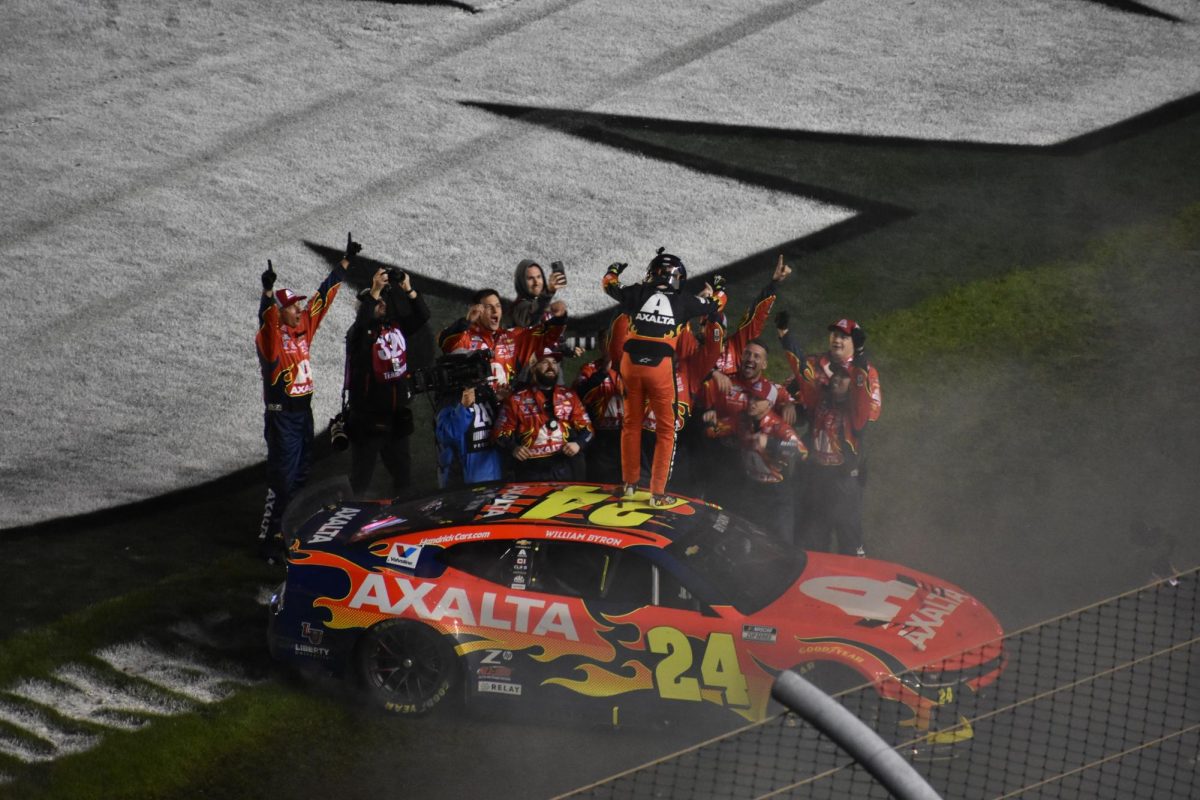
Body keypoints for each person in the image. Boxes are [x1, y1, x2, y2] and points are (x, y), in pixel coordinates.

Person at [602, 249, 715, 505]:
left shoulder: (636, 292)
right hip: (659, 368)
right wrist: (717, 289)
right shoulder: (684, 301)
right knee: (666, 431)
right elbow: (717, 303)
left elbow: (609, 284)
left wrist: (615, 269)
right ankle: (657, 494)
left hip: (630, 365)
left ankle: (629, 484)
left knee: (630, 425)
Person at [255, 252, 347, 561]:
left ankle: (287, 536)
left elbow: (322, 300)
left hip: (303, 415)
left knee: (300, 477)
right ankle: (269, 544)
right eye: (293, 306)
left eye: (297, 304)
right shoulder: (271, 341)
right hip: (282, 419)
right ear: (280, 312)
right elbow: (266, 321)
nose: (299, 309)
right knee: (282, 482)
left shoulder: (302, 328)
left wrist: (344, 265)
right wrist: (268, 295)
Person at [435, 288, 566, 487]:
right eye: (488, 307)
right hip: (473, 414)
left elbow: (547, 337)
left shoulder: (514, 337)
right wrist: (467, 320)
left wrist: (559, 317)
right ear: (477, 310)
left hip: (505, 413)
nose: (495, 310)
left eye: (497, 306)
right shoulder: (466, 336)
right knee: (473, 477)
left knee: (508, 477)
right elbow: (446, 342)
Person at [343, 266, 430, 499]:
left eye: (382, 300)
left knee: (404, 477)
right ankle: (350, 524)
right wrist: (374, 290)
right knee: (360, 479)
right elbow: (363, 324)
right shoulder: (357, 335)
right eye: (374, 302)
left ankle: (404, 518)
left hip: (395, 417)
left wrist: (408, 289)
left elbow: (422, 315)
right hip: (368, 420)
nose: (380, 303)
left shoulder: (394, 327)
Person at [793, 360, 873, 555]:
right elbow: (802, 376)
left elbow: (863, 391)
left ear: (853, 383)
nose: (836, 378)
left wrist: (861, 354)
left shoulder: (857, 409)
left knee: (849, 538)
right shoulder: (822, 398)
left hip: (845, 483)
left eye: (843, 376)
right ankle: (817, 575)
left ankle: (856, 577)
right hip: (819, 478)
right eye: (835, 374)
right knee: (815, 536)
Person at [493, 349, 593, 481]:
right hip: (530, 469)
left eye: (554, 362)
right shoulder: (516, 399)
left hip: (564, 466)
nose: (551, 366)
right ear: (533, 367)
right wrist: (514, 448)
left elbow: (588, 429)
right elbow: (499, 433)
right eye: (545, 362)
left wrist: (578, 444)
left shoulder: (570, 396)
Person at [731, 381, 805, 541]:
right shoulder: (743, 420)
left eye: (758, 400)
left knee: (781, 542)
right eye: (751, 398)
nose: (752, 403)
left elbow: (801, 450)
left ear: (769, 403)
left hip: (776, 492)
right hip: (751, 487)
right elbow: (719, 428)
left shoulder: (779, 426)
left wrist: (771, 443)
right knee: (748, 537)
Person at [511, 259, 568, 328]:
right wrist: (548, 291)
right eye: (530, 278)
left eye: (539, 277)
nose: (536, 282)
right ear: (521, 282)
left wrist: (561, 315)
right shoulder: (518, 308)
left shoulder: (544, 306)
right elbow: (531, 315)